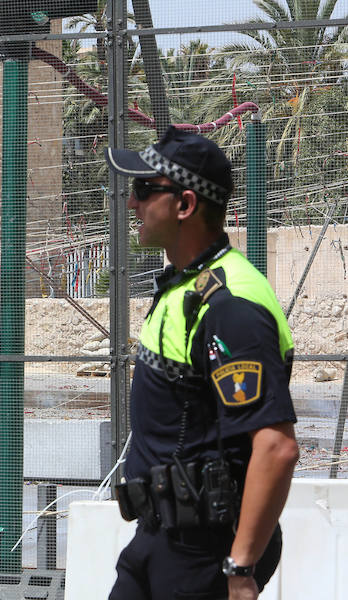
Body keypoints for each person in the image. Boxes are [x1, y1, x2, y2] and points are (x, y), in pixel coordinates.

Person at [104, 126, 299, 600]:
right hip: (160, 538)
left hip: (202, 554)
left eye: (145, 190)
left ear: (185, 205)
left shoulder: (231, 305)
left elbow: (276, 447)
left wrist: (240, 569)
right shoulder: (184, 285)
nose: (132, 203)